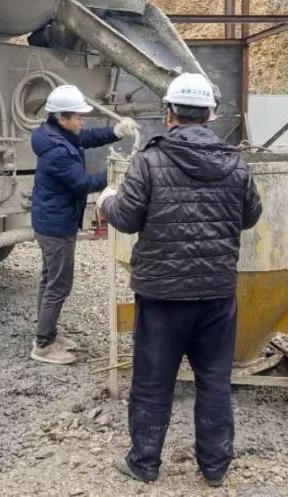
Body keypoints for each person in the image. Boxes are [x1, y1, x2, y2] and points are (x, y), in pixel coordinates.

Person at [97, 73, 262, 488]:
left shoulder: (148, 162)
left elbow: (126, 218)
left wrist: (107, 200)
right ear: (210, 114)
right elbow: (250, 217)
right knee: (214, 382)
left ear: (169, 114)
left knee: (153, 382)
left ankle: (144, 463)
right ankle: (215, 468)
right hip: (216, 295)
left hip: (162, 296)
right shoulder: (235, 164)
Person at [30, 83, 139, 365]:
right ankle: (43, 345)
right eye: (77, 116)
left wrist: (115, 133)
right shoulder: (58, 151)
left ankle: (47, 333)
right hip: (57, 226)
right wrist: (117, 171)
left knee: (49, 279)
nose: (82, 121)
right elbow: (83, 184)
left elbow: (86, 137)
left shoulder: (54, 134)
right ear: (61, 117)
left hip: (50, 219)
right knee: (59, 284)